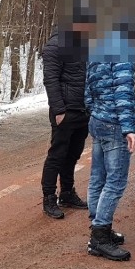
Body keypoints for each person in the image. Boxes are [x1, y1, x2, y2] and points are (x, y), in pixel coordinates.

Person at [85, 58, 135, 261]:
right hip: (114, 124)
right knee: (115, 182)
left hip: (98, 120)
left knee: (98, 177)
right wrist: (129, 129)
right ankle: (99, 237)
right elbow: (123, 92)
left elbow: (87, 90)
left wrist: (97, 111)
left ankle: (98, 226)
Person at [40, 18, 92, 219]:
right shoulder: (55, 45)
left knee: (73, 154)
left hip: (82, 110)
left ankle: (67, 193)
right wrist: (59, 110)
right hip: (65, 111)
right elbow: (50, 79)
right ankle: (49, 198)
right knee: (57, 155)